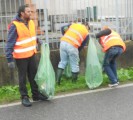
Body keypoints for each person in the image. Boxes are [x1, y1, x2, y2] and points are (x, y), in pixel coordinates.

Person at [5, 4, 47, 107]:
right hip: (21, 56)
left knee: (33, 75)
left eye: (31, 11)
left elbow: (30, 36)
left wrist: (37, 40)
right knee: (22, 77)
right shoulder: (15, 25)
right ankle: (24, 97)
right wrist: (9, 59)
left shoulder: (31, 22)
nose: (30, 13)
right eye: (28, 12)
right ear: (22, 14)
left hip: (31, 53)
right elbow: (10, 43)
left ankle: (36, 95)